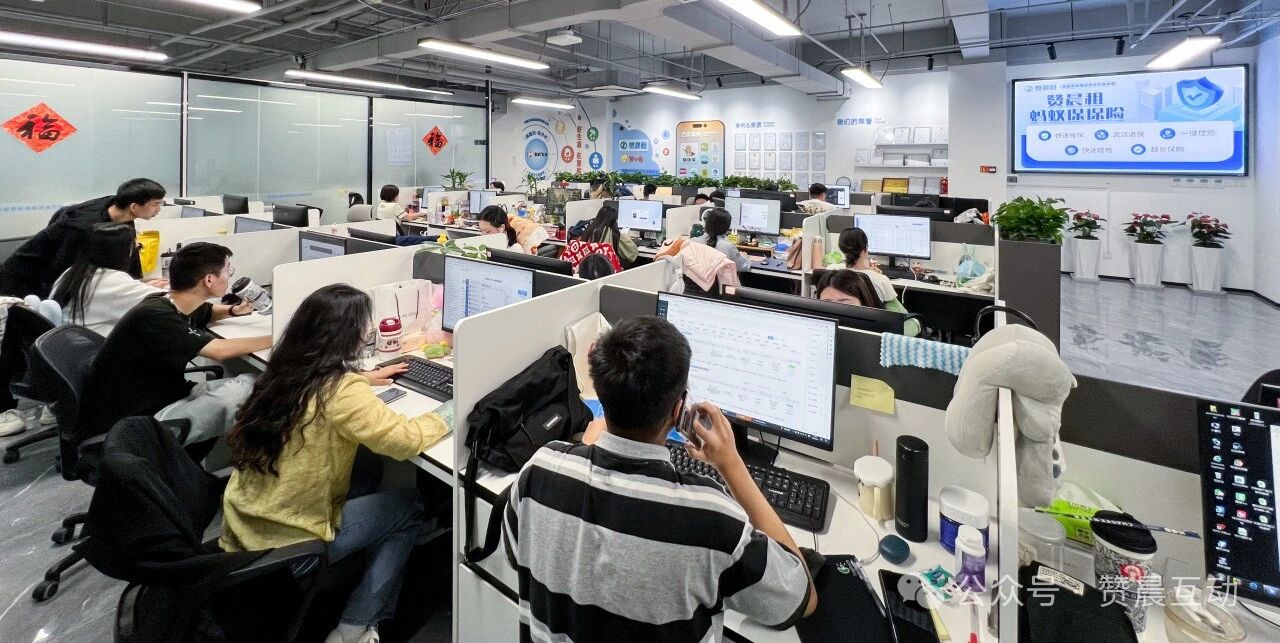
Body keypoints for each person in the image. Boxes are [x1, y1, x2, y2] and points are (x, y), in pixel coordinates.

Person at [502, 316, 816, 641]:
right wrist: (731, 464)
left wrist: (584, 453)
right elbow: (800, 598)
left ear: (600, 392)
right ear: (679, 410)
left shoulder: (538, 470)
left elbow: (517, 554)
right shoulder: (713, 517)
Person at [221, 284, 452, 643]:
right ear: (349, 334)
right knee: (410, 507)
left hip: (243, 528)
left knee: (367, 468)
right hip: (288, 548)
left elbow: (327, 396)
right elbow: (406, 440)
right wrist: (451, 412)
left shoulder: (285, 369)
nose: (368, 330)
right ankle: (354, 628)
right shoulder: (340, 390)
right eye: (364, 323)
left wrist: (359, 379)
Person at [78, 242, 272, 448]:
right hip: (132, 422)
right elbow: (219, 351)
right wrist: (278, 336)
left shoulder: (167, 302)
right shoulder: (156, 316)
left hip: (156, 397)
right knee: (250, 389)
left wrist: (233, 310)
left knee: (253, 384)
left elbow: (206, 312)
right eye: (227, 271)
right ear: (209, 280)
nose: (229, 276)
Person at [0, 178, 166, 298]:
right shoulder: (83, 228)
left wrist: (137, 283)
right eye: (155, 204)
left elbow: (128, 251)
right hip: (22, 282)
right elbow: (61, 271)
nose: (158, 209)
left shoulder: (119, 209)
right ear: (134, 207)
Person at [50, 222, 162, 336]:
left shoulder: (73, 272)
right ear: (121, 252)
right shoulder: (112, 281)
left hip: (70, 341)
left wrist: (141, 286)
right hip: (96, 344)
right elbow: (168, 301)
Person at [833, 228, 922, 336]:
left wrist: (868, 270)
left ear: (842, 248)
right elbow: (899, 312)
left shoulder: (833, 272)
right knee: (914, 321)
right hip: (875, 331)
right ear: (865, 249)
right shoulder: (879, 279)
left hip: (843, 328)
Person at [581, 203, 638, 267]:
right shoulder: (614, 234)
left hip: (589, 267)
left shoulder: (589, 230)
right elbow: (632, 252)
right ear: (614, 221)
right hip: (607, 269)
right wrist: (628, 238)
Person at [696, 207, 750, 272]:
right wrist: (745, 258)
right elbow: (742, 267)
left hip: (696, 278)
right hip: (718, 279)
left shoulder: (692, 242)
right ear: (727, 227)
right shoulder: (727, 247)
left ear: (706, 223)